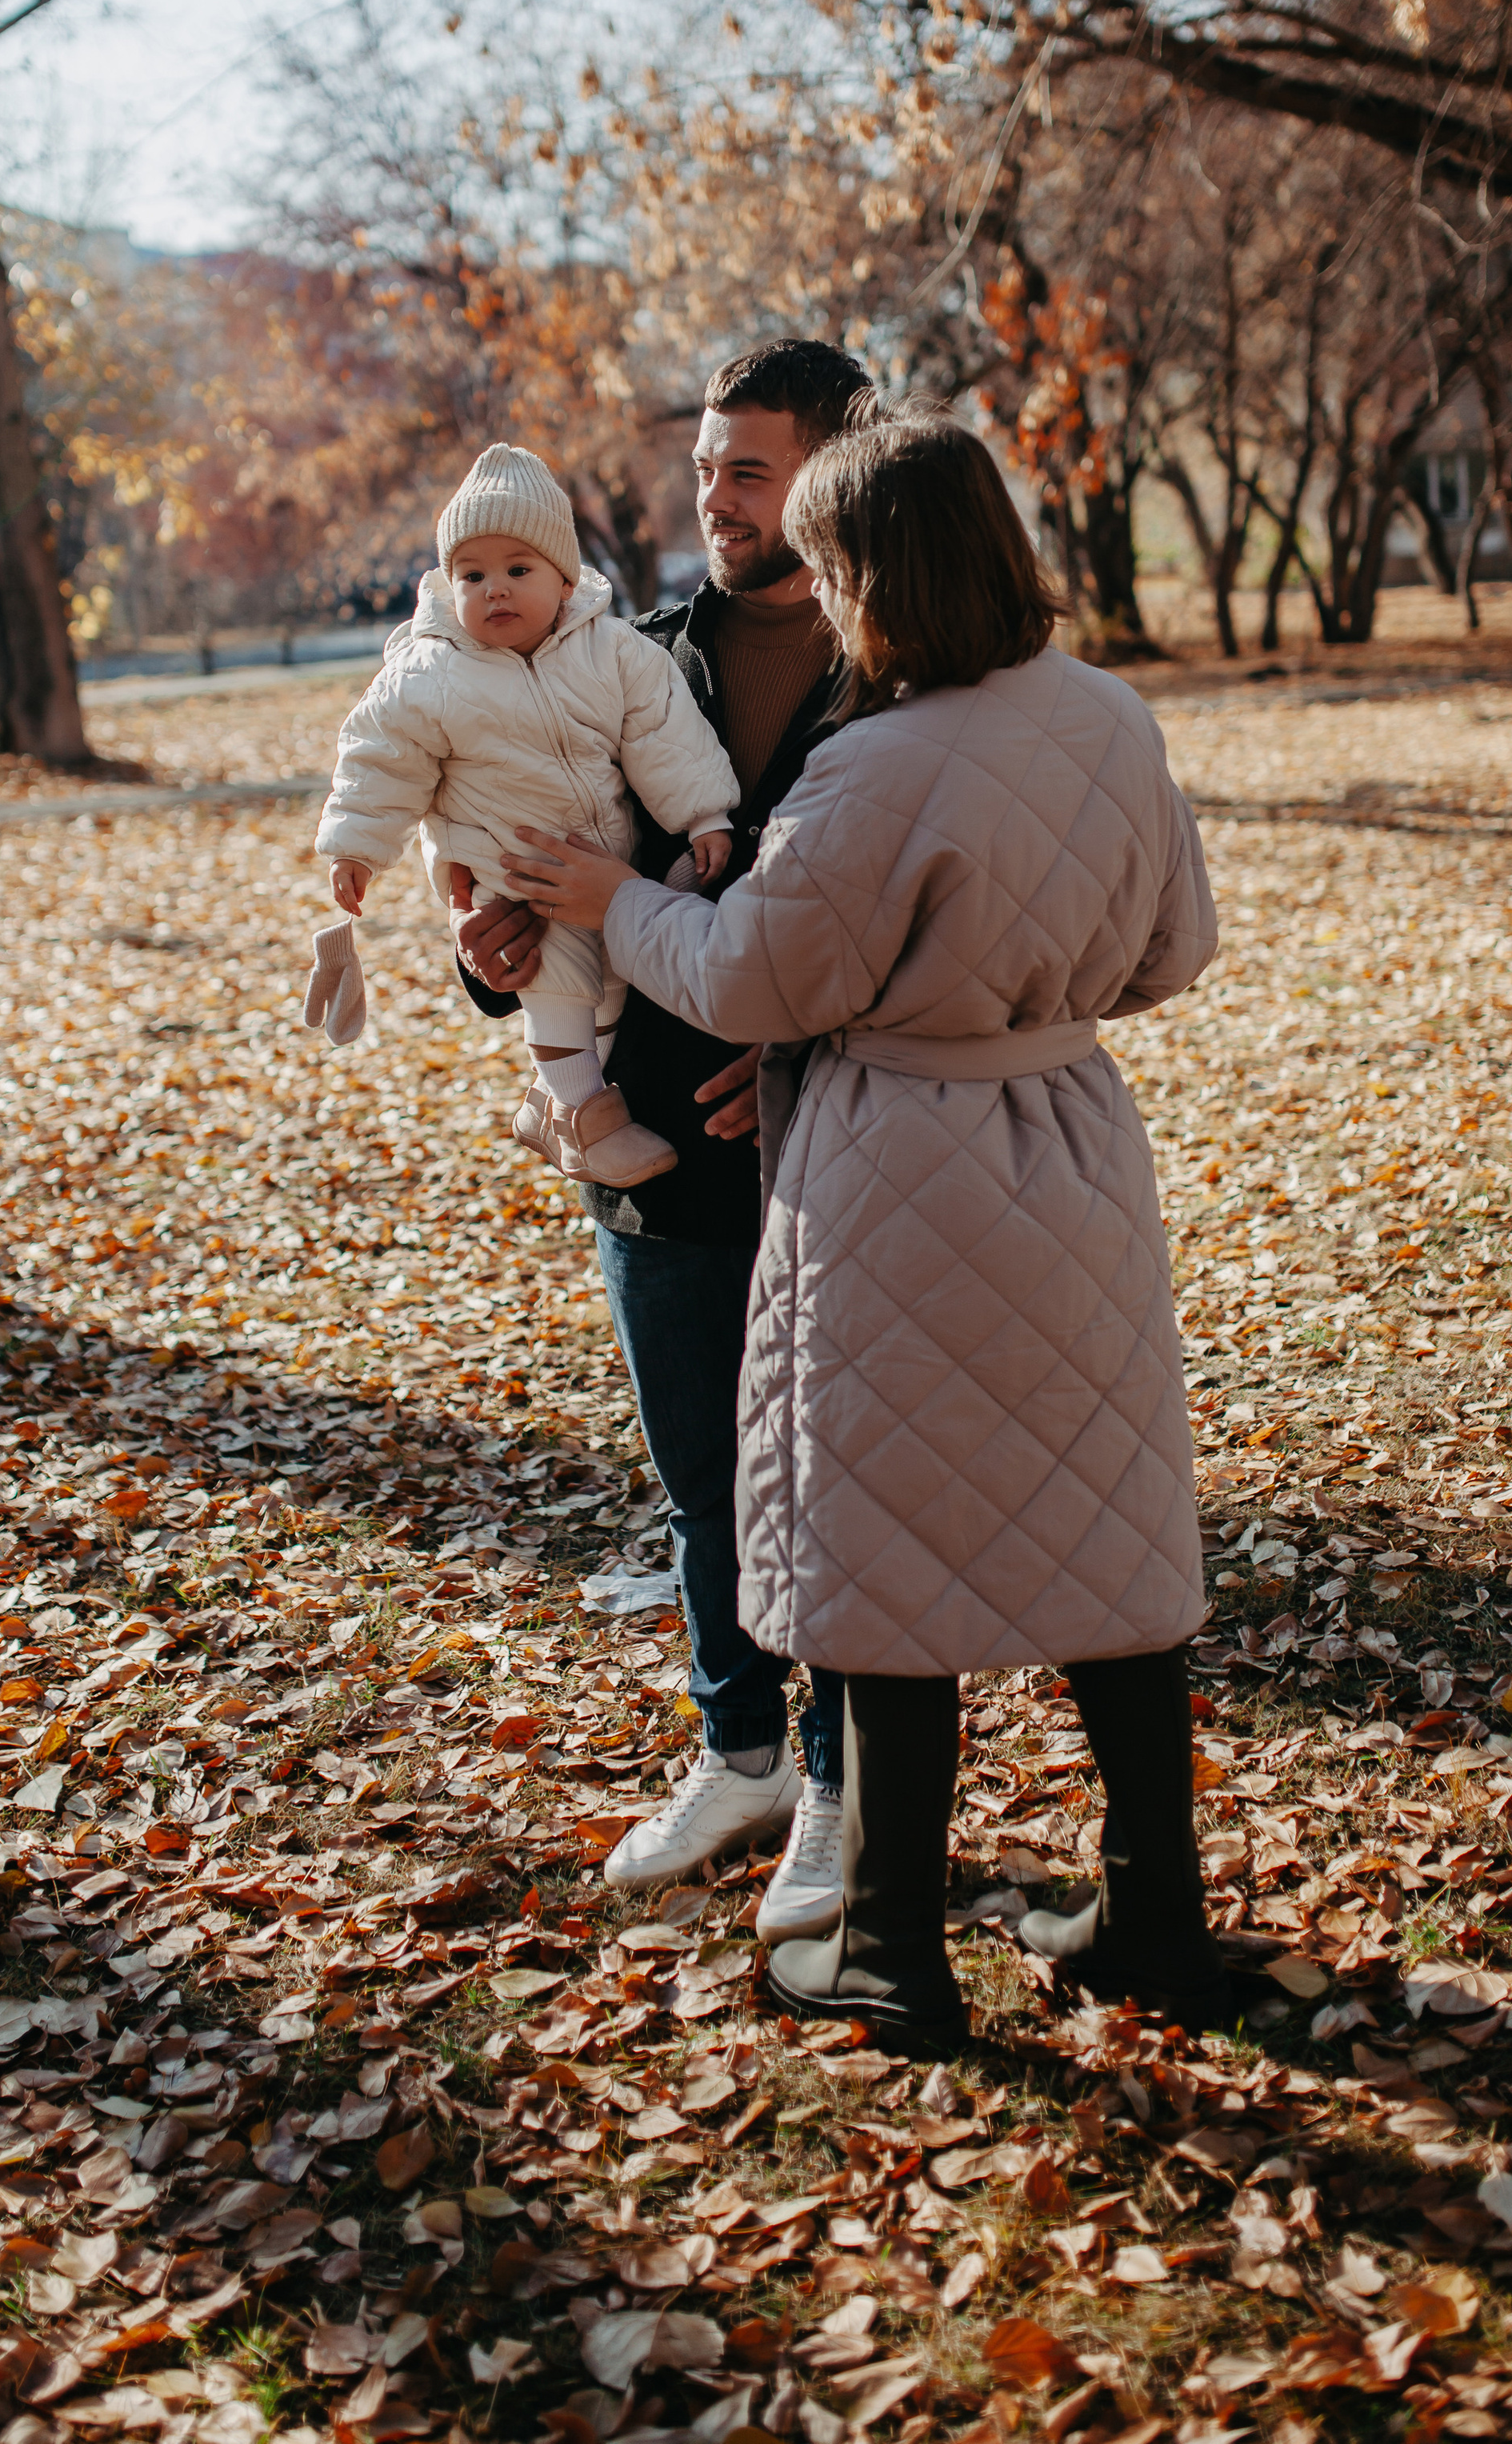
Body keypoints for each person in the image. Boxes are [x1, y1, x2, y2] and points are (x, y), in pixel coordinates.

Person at [501, 415, 1233, 2042]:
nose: (816, 600)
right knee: (1107, 1532)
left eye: (828, 569)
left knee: (882, 1546)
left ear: (870, 577)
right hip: (1074, 1156)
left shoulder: (869, 762)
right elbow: (1171, 946)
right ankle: (1154, 1915)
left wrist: (609, 905)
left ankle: (894, 1950)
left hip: (902, 1174)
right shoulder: (1107, 716)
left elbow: (753, 977)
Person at [451, 344, 862, 1934]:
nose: (714, 497)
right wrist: (485, 950)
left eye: (747, 468)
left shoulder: (900, 666)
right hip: (657, 1141)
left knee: (832, 1475)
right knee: (703, 1472)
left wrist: (810, 1047)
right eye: (705, 466)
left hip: (842, 1133)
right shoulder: (625, 656)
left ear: (833, 471)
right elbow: (528, 832)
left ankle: (840, 1774)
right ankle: (741, 1745)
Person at [310, 443, 739, 1187]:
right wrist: (356, 846)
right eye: (472, 575)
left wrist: (704, 814)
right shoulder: (430, 670)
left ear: (565, 581)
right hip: (506, 866)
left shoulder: (616, 652)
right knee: (560, 977)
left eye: (518, 570)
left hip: (605, 858)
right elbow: (381, 756)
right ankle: (582, 1112)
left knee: (611, 979)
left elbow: (665, 734)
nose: (495, 591)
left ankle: (557, 1100)